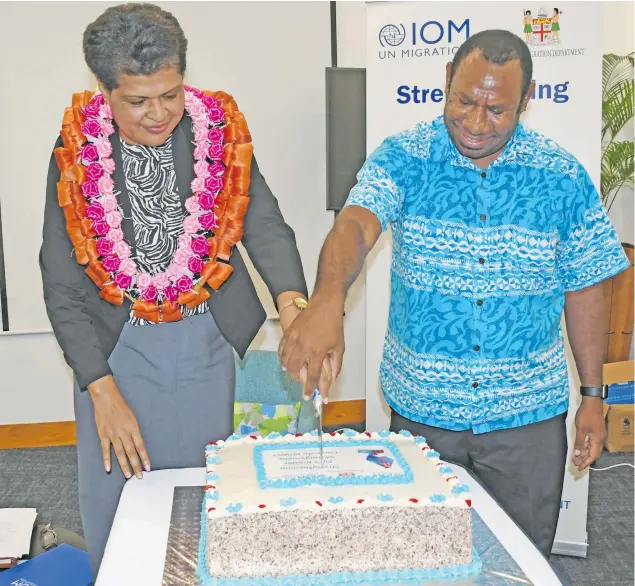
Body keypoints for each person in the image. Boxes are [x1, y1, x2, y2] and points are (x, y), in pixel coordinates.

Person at [279, 29, 630, 557]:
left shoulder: (561, 178)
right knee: (422, 559)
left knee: (518, 559)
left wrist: (593, 395)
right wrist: (328, 298)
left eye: (497, 111)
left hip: (526, 419)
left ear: (526, 102)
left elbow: (585, 287)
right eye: (464, 100)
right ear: (446, 80)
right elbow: (356, 223)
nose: (474, 122)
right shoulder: (404, 158)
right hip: (424, 412)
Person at [39, 3, 328, 577]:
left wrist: (294, 304)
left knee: (205, 498)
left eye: (169, 95)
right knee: (117, 502)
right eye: (137, 101)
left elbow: (263, 223)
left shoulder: (215, 132)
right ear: (102, 88)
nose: (157, 115)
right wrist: (101, 389)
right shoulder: (76, 151)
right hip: (115, 348)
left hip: (206, 339)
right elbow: (61, 280)